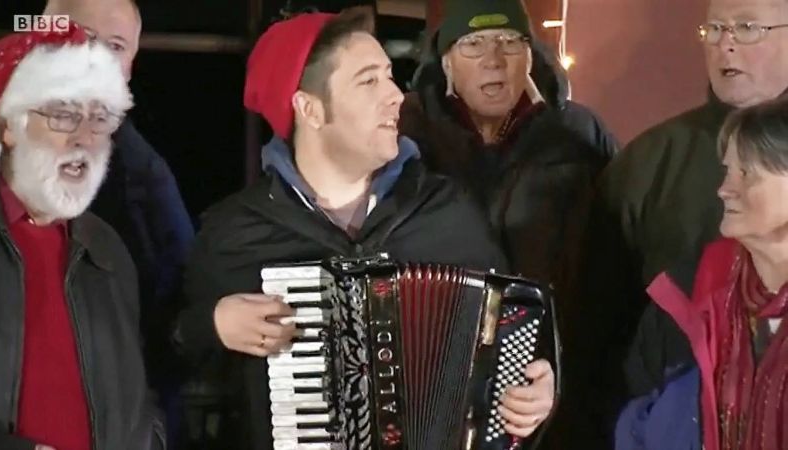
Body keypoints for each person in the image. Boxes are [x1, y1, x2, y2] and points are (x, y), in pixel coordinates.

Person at [174, 11, 556, 450]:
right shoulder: (236, 233)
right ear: (310, 109)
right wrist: (212, 325)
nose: (396, 95)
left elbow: (511, 346)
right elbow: (168, 361)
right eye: (369, 81)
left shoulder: (448, 211)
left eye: (391, 77)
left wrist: (537, 396)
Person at [399, 0, 616, 448]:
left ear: (531, 55)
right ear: (446, 62)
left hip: (556, 377)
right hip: (431, 379)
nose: (493, 59)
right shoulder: (406, 134)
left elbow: (614, 256)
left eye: (509, 43)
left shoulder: (578, 135)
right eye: (473, 44)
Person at [581, 0, 788, 440]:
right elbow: (597, 329)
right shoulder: (648, 162)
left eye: (746, 28)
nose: (725, 46)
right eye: (713, 30)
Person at [0, 23, 164, 450]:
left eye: (100, 117)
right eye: (63, 114)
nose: (84, 137)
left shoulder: (107, 249)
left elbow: (137, 397)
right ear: (10, 126)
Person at [616, 98, 788, 450]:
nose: (725, 189)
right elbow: (636, 413)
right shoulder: (690, 290)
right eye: (728, 170)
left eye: (747, 174)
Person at [43, 0, 195, 390]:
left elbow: (180, 318)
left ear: (130, 65)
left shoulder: (146, 180)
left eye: (115, 47)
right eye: (82, 37)